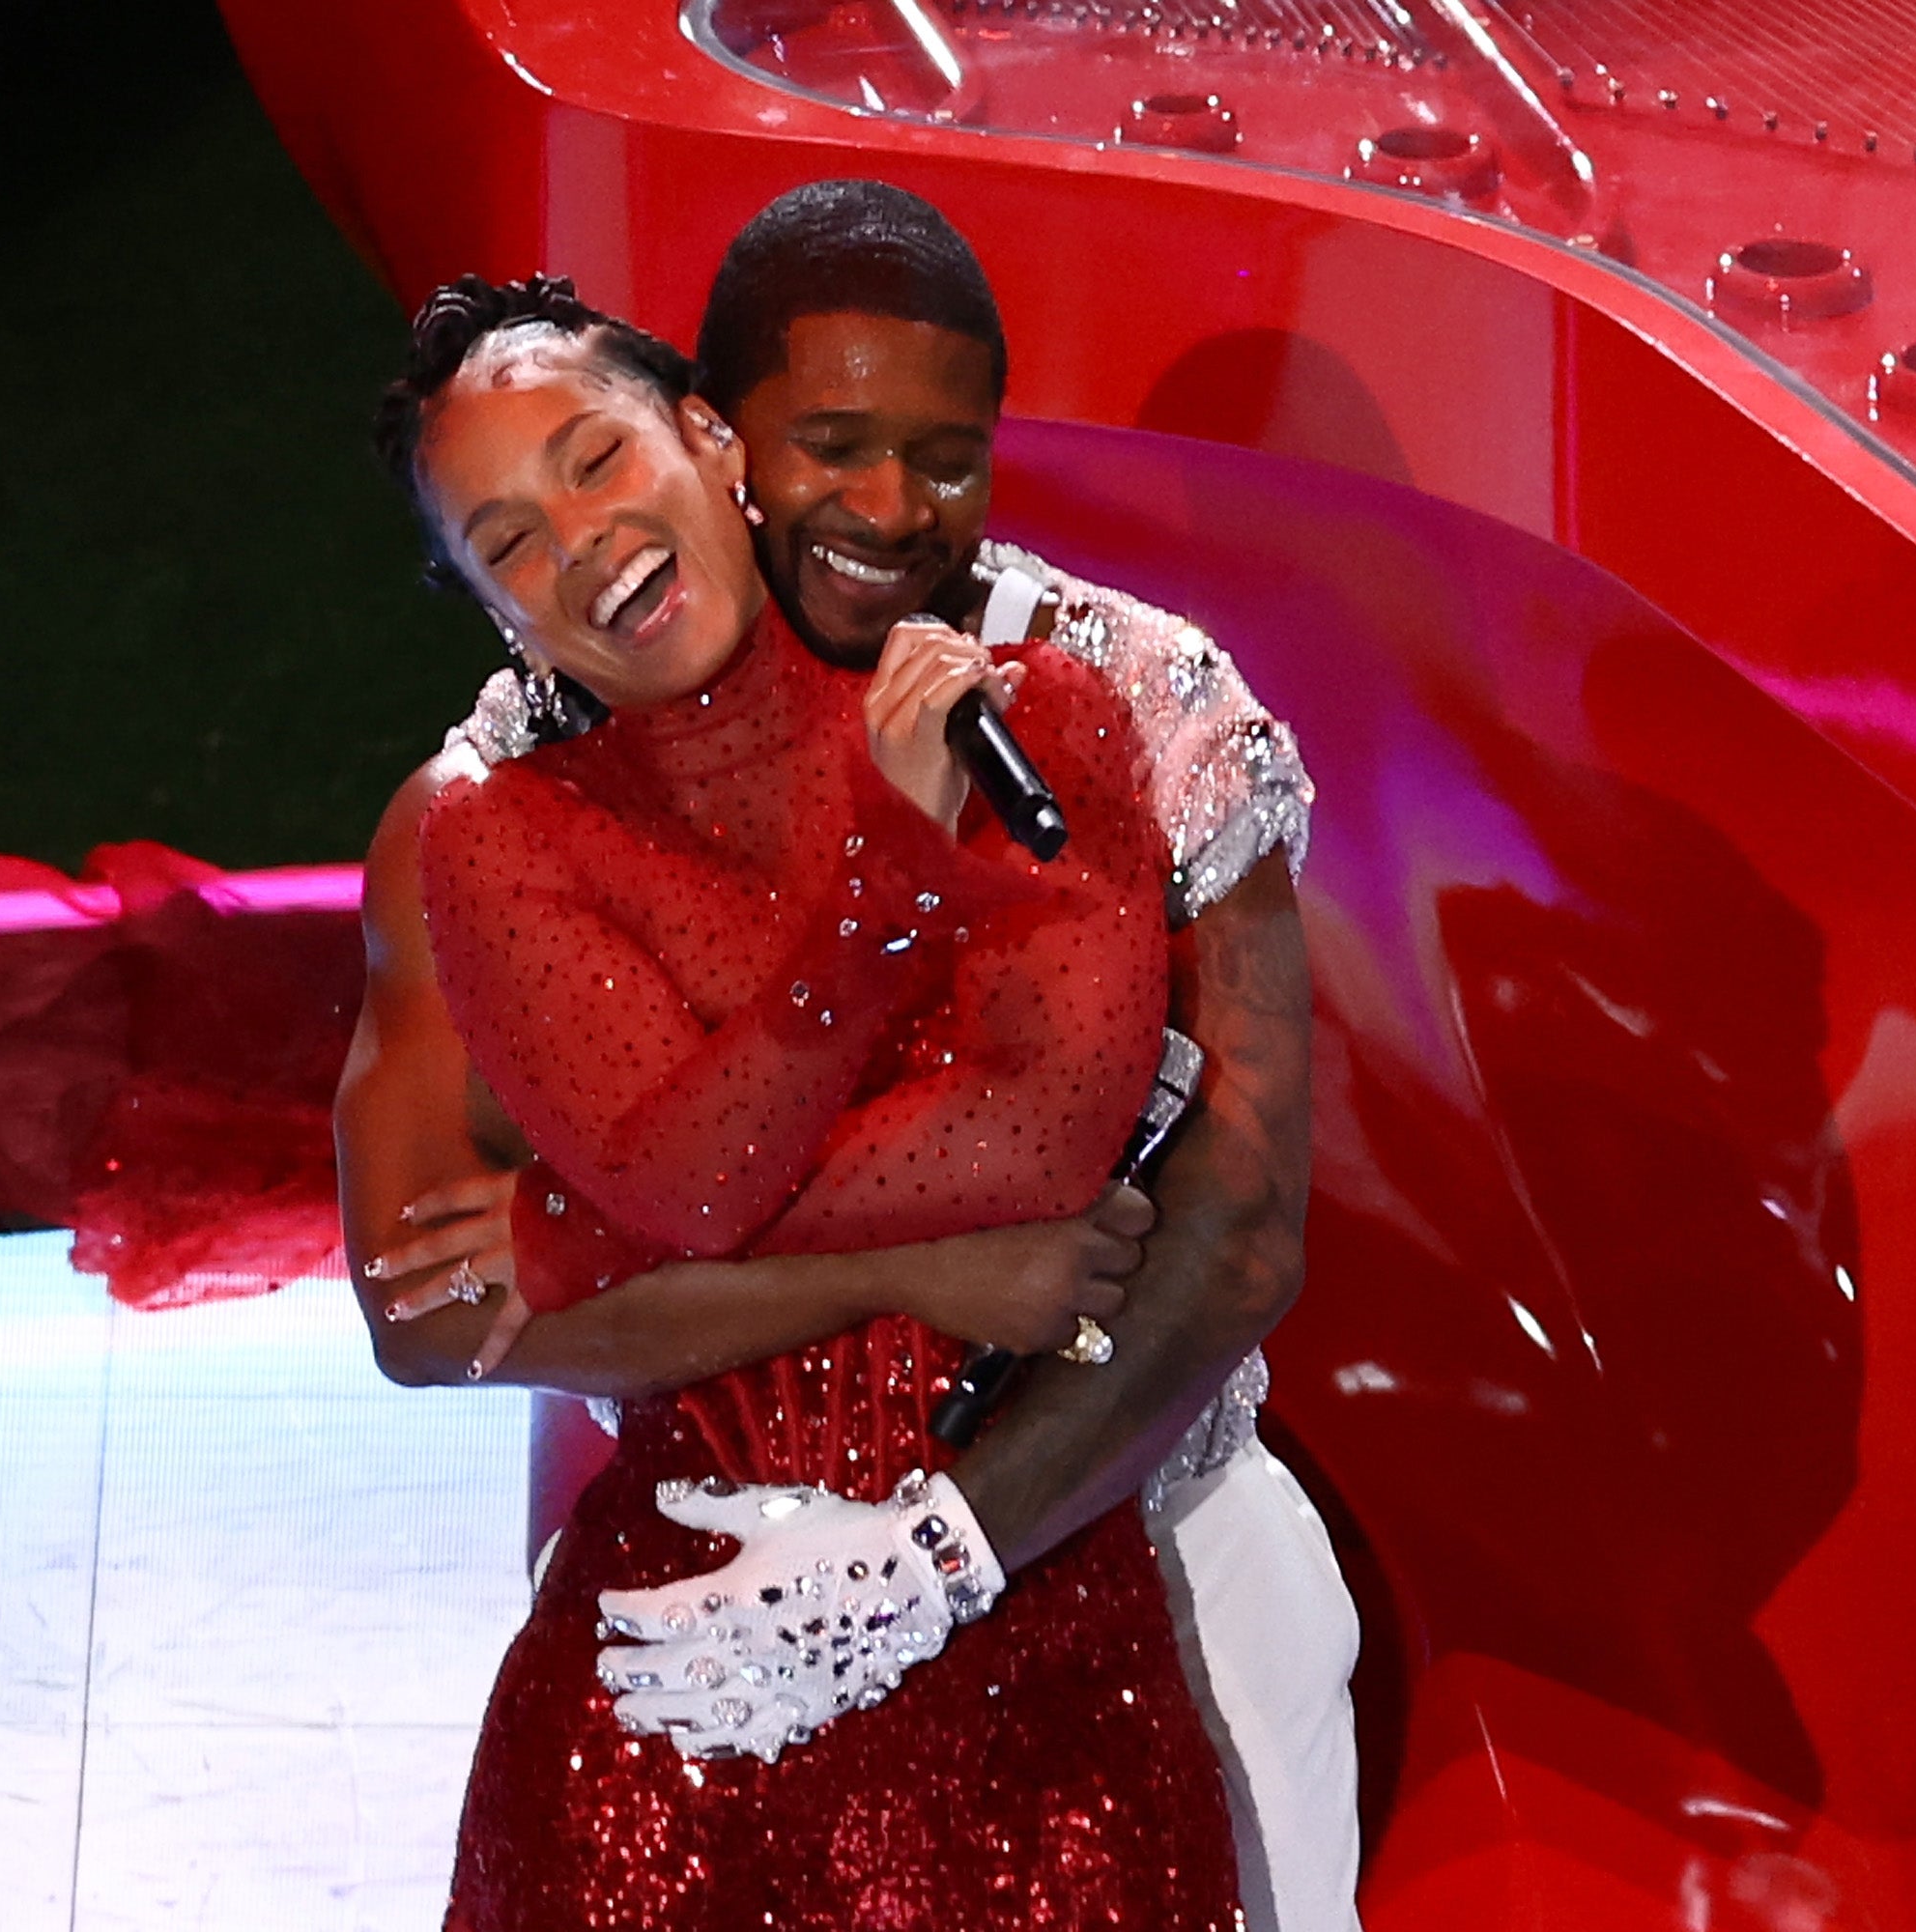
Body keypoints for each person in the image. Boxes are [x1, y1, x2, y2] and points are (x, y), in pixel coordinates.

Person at [344, 183, 1358, 1928]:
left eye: (933, 453)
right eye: (509, 534)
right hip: (706, 1599)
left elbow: (1233, 1229)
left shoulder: (1103, 694)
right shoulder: (490, 806)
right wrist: (933, 1268)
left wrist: (944, 1544)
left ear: (694, 438)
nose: (879, 510)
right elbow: (432, 1308)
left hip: (1149, 1532)